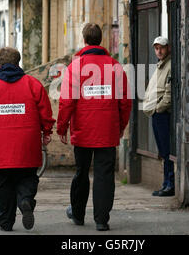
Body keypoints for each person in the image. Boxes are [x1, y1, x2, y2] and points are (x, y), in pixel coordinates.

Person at [57, 23, 132, 231]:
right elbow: (125, 102)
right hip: (107, 130)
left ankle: (78, 214)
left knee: (81, 171)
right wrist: (120, 126)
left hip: (83, 130)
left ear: (84, 40)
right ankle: (101, 219)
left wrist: (62, 127)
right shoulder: (115, 67)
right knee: (104, 174)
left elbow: (67, 101)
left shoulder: (76, 67)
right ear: (101, 40)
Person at [0, 46, 55, 231]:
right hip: (27, 142)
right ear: (18, 62)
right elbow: (46, 113)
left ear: (0, 63)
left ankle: (6, 221)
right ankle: (25, 199)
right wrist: (47, 132)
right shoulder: (33, 84)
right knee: (28, 177)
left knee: (3, 183)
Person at [142, 36, 174, 197]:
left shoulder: (169, 65)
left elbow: (169, 91)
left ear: (168, 48)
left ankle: (170, 183)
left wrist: (159, 108)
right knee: (163, 150)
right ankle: (165, 183)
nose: (159, 51)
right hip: (156, 114)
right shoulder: (160, 66)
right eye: (156, 48)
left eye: (161, 47)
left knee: (167, 150)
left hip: (163, 114)